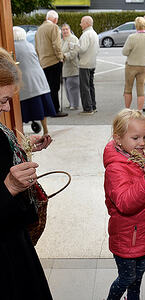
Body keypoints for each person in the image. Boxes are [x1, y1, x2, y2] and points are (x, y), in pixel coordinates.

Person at [0, 47, 53, 299]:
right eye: (2, 100)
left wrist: (25, 146)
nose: (8, 109)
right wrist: (8, 187)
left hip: (13, 240)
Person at [103, 109, 145, 300]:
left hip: (143, 236)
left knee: (138, 278)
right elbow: (125, 203)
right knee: (127, 277)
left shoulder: (142, 161)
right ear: (118, 139)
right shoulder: (115, 169)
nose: (142, 143)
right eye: (135, 138)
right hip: (126, 238)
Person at [13, 26, 56, 135]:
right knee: (42, 107)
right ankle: (45, 130)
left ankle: (19, 132)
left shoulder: (13, 47)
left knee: (22, 109)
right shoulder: (29, 45)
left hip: (26, 80)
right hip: (39, 78)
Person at [35, 10, 67, 117]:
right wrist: (60, 57)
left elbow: (36, 47)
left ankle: (48, 109)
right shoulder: (53, 27)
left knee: (47, 87)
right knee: (55, 87)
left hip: (43, 62)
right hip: (53, 61)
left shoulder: (39, 29)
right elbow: (56, 45)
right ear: (55, 19)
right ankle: (55, 110)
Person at [122, 17, 145, 111]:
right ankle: (139, 111)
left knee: (128, 88)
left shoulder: (131, 37)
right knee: (141, 90)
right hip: (144, 66)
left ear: (136, 26)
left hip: (131, 65)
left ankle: (127, 110)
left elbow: (125, 52)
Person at [74, 16, 99, 115]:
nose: (80, 24)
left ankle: (88, 108)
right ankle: (93, 105)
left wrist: (74, 46)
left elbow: (82, 49)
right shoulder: (94, 33)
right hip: (92, 63)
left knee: (84, 87)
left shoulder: (86, 35)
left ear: (87, 23)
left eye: (82, 22)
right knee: (91, 85)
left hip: (85, 64)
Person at [61, 23, 80, 110]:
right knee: (67, 87)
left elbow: (74, 52)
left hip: (72, 66)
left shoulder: (73, 39)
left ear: (69, 30)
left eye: (66, 29)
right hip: (64, 67)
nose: (65, 31)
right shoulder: (62, 40)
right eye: (63, 29)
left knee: (72, 86)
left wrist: (64, 56)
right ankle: (70, 102)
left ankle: (74, 104)